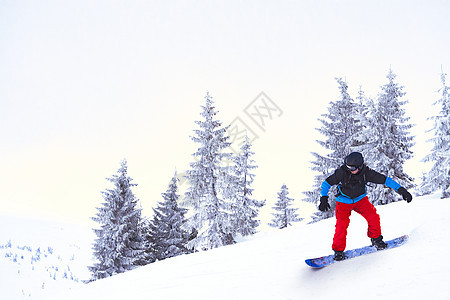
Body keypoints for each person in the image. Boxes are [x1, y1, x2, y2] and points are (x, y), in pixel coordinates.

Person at [319, 152, 412, 261]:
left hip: (360, 200)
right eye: (348, 167)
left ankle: (376, 239)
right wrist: (323, 198)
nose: (350, 169)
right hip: (343, 202)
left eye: (352, 168)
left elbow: (386, 180)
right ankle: (338, 251)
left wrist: (401, 190)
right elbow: (326, 183)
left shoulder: (366, 173)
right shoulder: (342, 172)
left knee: (373, 217)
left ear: (360, 166)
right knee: (341, 225)